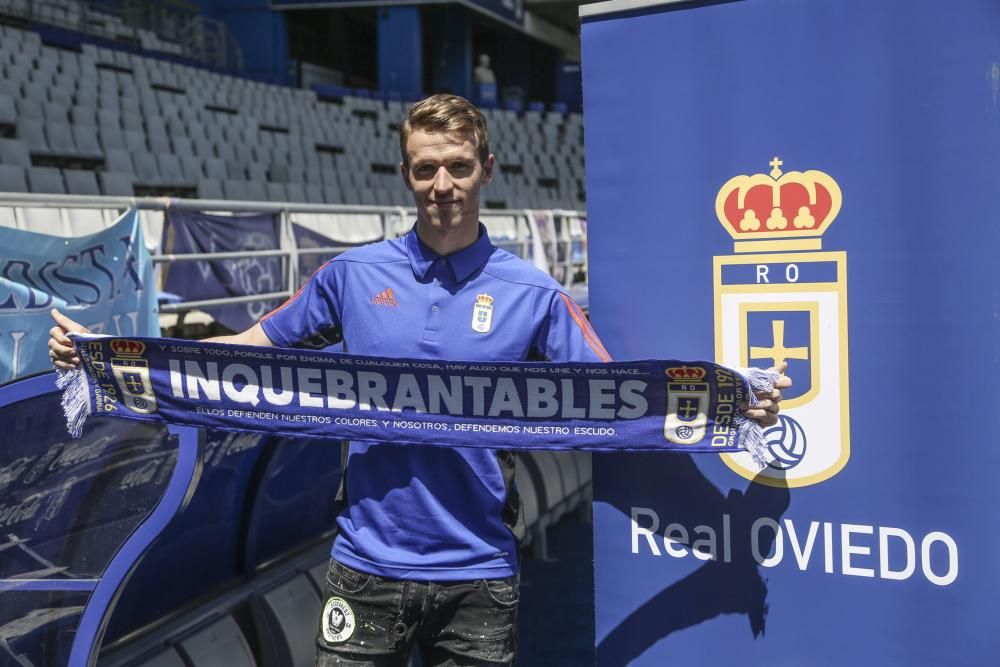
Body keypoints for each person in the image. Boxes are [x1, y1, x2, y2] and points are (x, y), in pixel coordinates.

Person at [48, 94, 789, 666]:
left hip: (480, 572)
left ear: (486, 170)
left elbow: (619, 397)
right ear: (406, 173)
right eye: (425, 168)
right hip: (365, 562)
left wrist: (736, 400)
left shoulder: (535, 293)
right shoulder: (352, 273)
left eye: (458, 166)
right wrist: (107, 356)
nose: (442, 184)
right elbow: (244, 355)